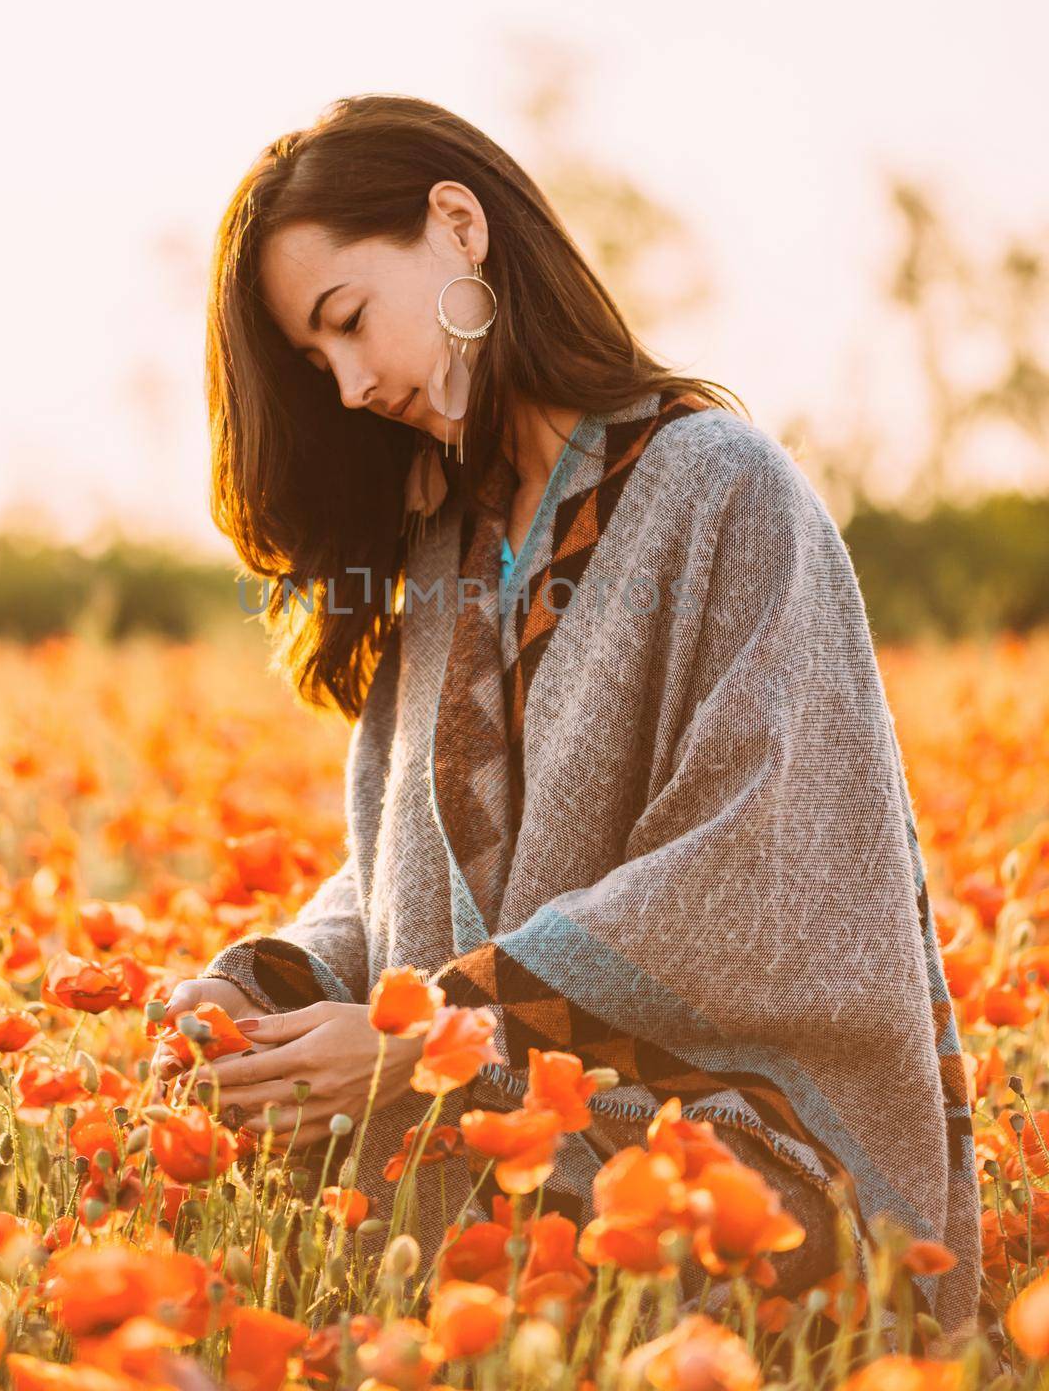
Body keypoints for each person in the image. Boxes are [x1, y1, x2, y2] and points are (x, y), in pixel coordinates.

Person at [156, 93, 980, 1338]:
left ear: (456, 227)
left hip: (724, 1156)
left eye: (346, 323)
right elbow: (397, 879)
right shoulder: (442, 542)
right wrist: (263, 988)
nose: (353, 382)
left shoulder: (718, 486)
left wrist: (430, 1032)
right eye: (318, 363)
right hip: (506, 1151)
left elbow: (752, 878)